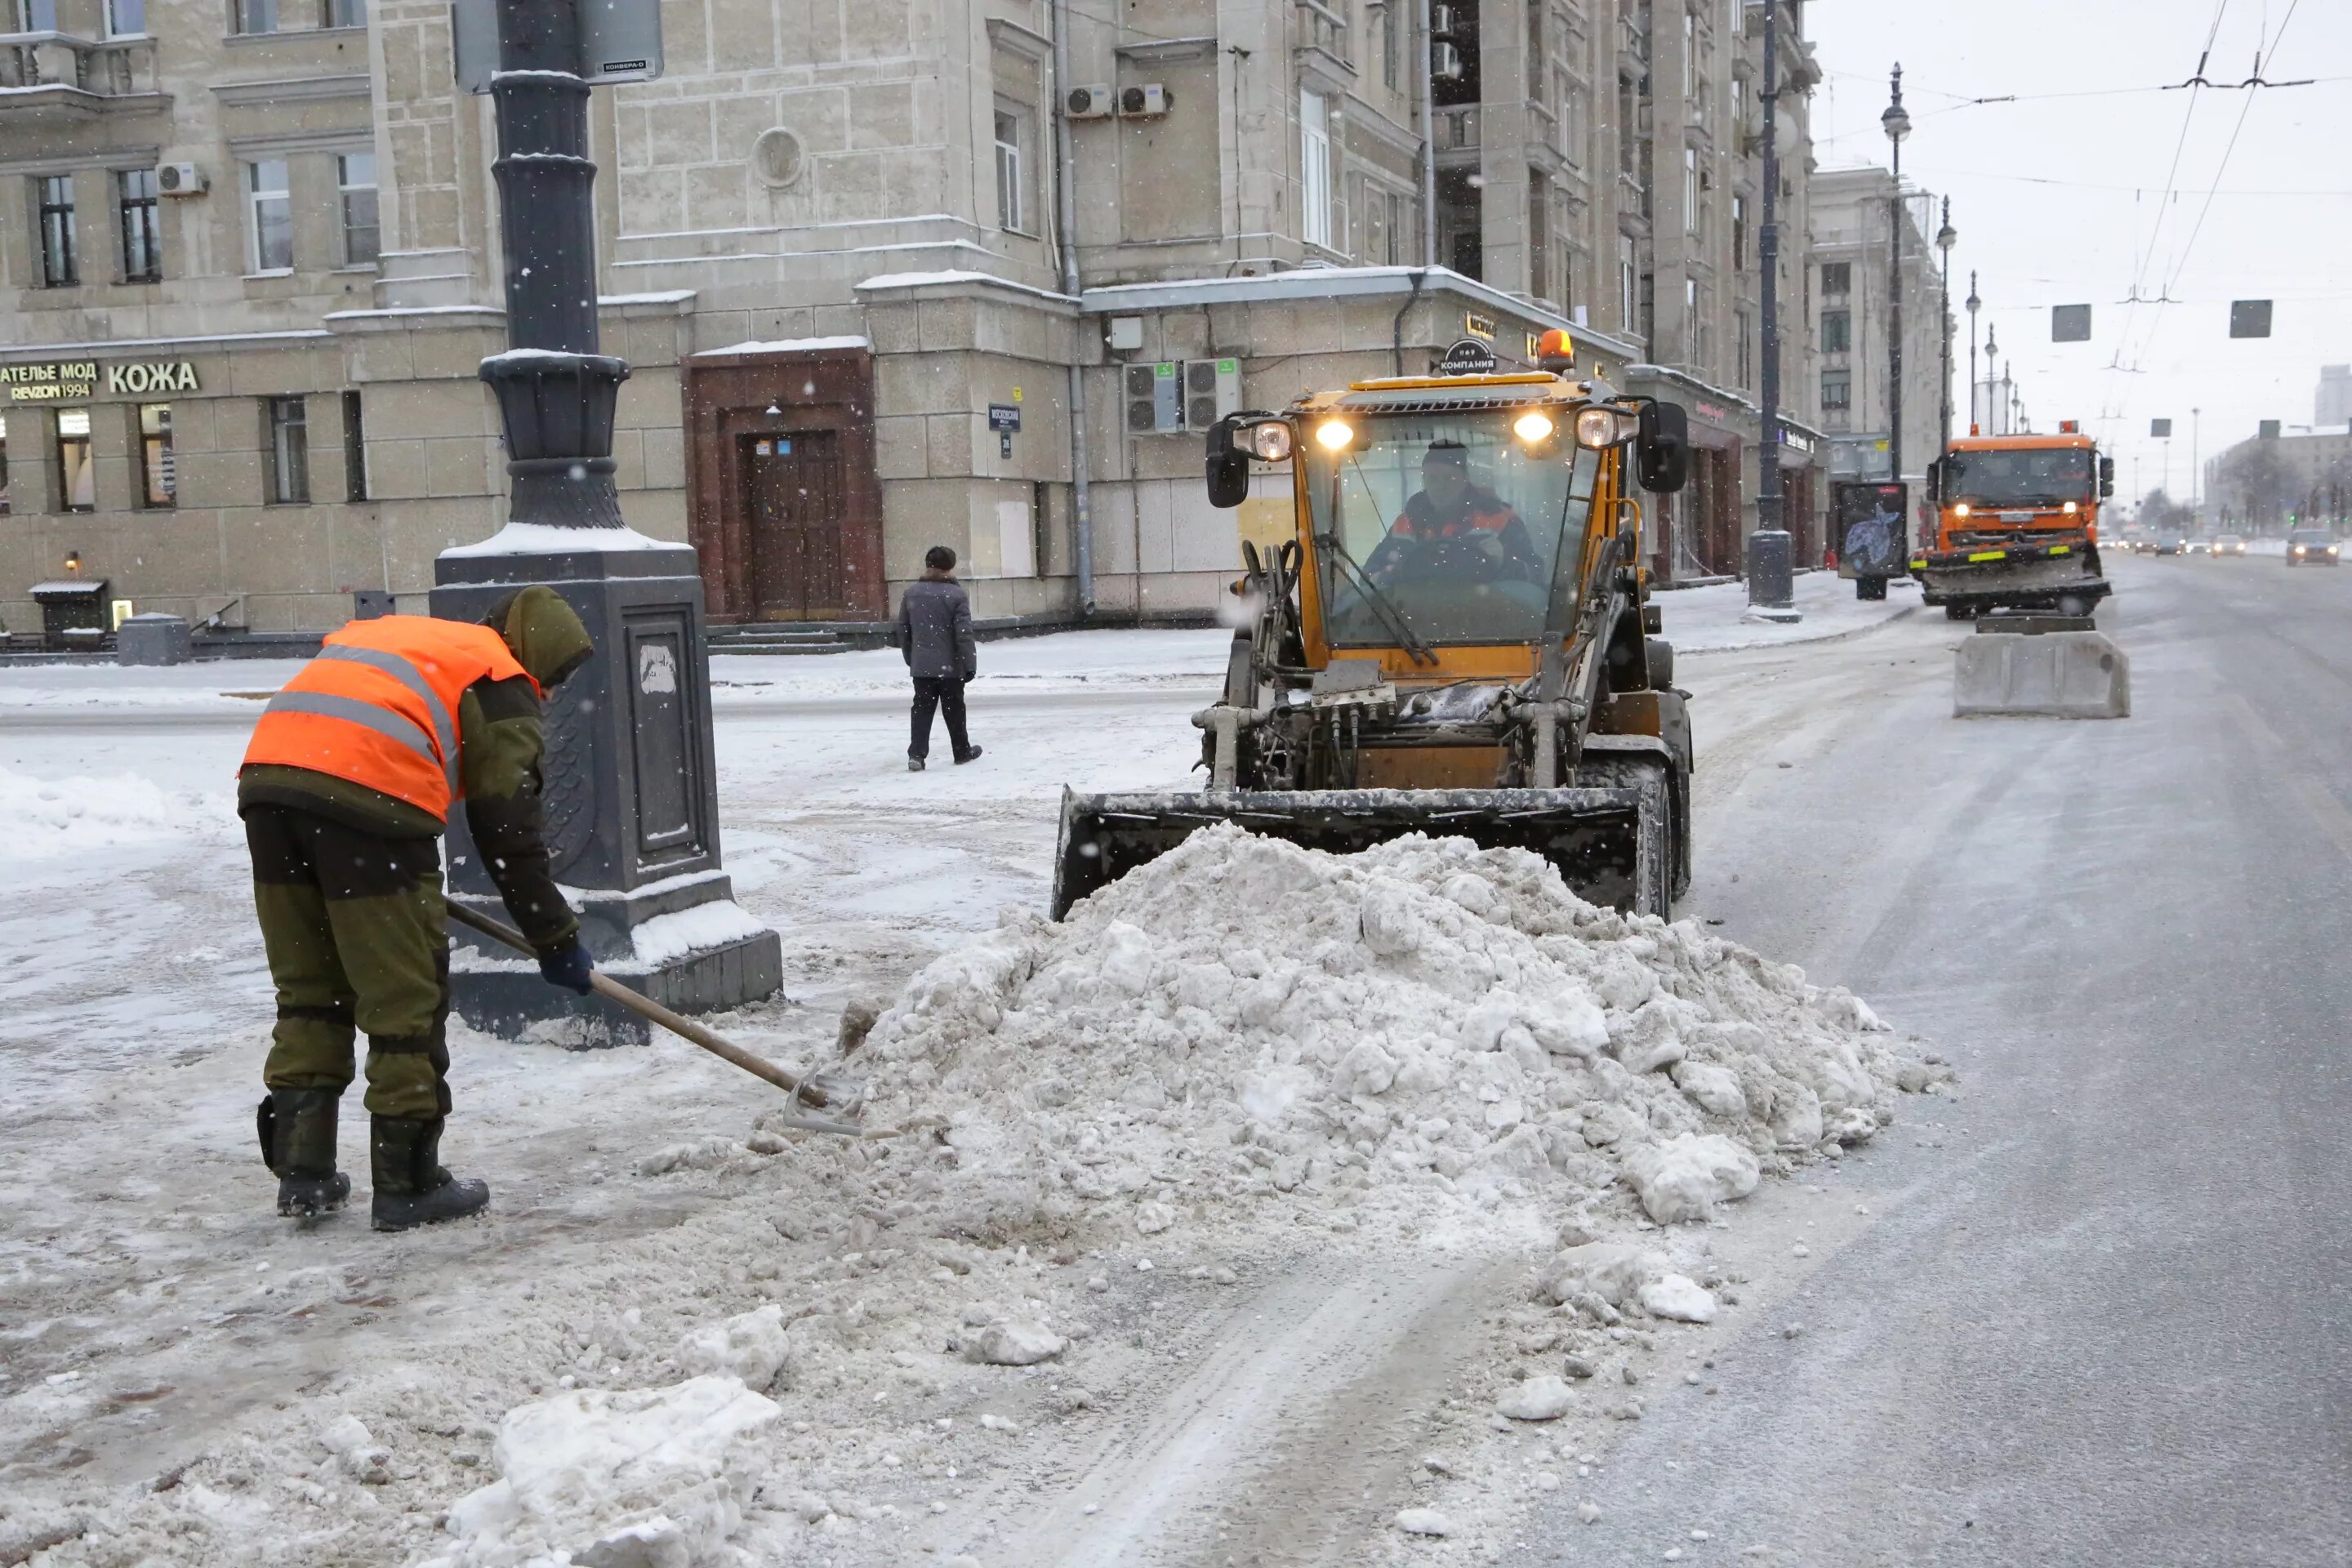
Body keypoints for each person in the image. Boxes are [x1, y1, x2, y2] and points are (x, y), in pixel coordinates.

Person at [238, 586, 596, 1231]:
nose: (547, 694)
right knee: (406, 1001)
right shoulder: (500, 675)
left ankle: (305, 1173)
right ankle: (409, 1184)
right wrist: (555, 937)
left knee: (312, 987)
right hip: (371, 797)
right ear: (537, 654)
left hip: (270, 784)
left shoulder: (422, 643)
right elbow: (508, 830)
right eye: (555, 678)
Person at [1363, 441, 1544, 586]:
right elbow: (1369, 575)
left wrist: (1504, 561)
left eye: (1450, 478)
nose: (1440, 486)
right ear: (1424, 480)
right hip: (1413, 620)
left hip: (1486, 620)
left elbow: (1536, 575)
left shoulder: (1499, 519)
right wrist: (1387, 575)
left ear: (1465, 480)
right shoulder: (1407, 523)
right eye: (1432, 478)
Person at [894, 545, 981, 772]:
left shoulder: (911, 593)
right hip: (950, 667)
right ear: (950, 567)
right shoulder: (957, 595)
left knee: (922, 709)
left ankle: (917, 754)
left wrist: (911, 657)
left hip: (922, 664)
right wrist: (969, 664)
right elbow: (964, 633)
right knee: (954, 708)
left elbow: (903, 629)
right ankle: (961, 751)